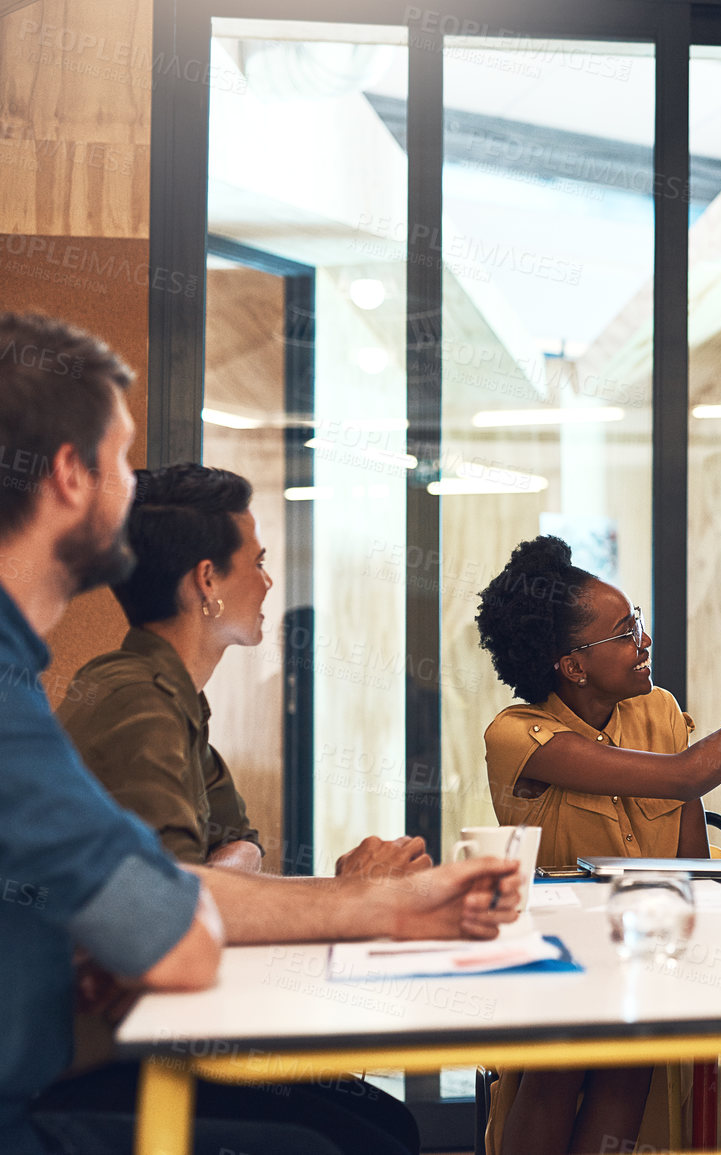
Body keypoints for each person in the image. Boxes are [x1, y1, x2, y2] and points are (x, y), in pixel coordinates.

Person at [0, 312, 522, 1155]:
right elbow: (172, 929)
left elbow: (176, 885)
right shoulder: (38, 702)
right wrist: (160, 912)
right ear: (68, 473)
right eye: (119, 465)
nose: (133, 498)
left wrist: (371, 901)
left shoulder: (28, 680)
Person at [474, 534, 721, 1155]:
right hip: (562, 951)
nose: (643, 642)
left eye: (638, 623)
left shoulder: (658, 710)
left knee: (633, 1066)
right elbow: (687, 775)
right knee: (556, 1075)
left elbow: (688, 859)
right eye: (625, 633)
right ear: (573, 665)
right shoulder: (519, 735)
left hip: (644, 939)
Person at [56, 463, 431, 878]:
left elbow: (241, 841)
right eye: (258, 562)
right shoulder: (136, 703)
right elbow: (175, 907)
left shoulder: (176, 695)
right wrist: (350, 889)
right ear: (208, 580)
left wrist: (227, 870)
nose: (268, 582)